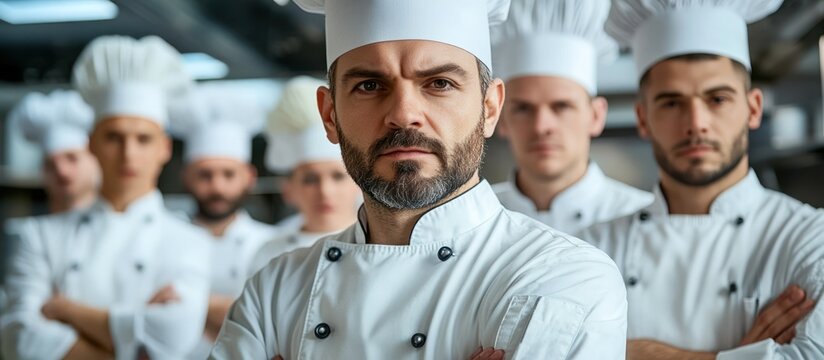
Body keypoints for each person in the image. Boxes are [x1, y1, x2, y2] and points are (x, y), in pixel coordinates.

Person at [210, 0, 627, 358]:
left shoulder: (563, 275)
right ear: (330, 115)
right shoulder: (273, 291)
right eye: (370, 85)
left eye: (439, 83)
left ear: (490, 108)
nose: (403, 113)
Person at [582, 0, 824, 358]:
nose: (696, 122)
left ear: (753, 108)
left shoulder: (809, 238)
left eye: (717, 98)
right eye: (671, 102)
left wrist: (646, 353)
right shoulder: (591, 251)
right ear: (643, 118)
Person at [1, 35, 211, 360]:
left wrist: (64, 310)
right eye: (114, 137)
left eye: (143, 139)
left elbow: (173, 338)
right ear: (92, 143)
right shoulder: (40, 236)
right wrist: (133, 342)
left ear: (164, 148)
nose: (129, 154)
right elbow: (19, 336)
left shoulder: (190, 241)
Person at [490, 0, 652, 234]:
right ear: (500, 119)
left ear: (596, 116)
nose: (541, 126)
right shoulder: (474, 219)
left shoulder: (639, 221)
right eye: (523, 108)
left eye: (561, 107)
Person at [170, 85, 281, 356]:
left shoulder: (272, 242)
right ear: (187, 177)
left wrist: (189, 307)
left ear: (249, 177)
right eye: (205, 175)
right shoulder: (166, 238)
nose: (217, 187)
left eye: (228, 175)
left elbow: (274, 322)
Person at [247, 76, 360, 276]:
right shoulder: (270, 254)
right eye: (310, 179)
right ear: (289, 190)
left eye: (337, 176)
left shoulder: (380, 244)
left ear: (358, 182)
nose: (325, 191)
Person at [10, 90, 100, 213]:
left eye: (71, 158)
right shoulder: (27, 231)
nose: (61, 171)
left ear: (94, 158)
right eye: (51, 164)